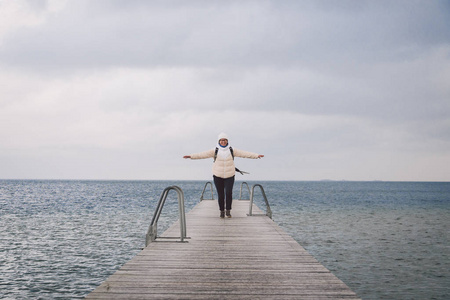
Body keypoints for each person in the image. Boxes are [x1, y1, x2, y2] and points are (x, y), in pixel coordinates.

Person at [183, 133, 264, 218]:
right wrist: (191, 156)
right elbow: (202, 155)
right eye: (221, 140)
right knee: (220, 194)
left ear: (227, 141)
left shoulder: (232, 150)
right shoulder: (215, 150)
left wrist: (256, 156)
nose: (223, 142)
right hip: (218, 176)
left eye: (225, 140)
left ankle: (228, 210)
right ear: (219, 141)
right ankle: (222, 211)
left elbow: (244, 153)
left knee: (229, 193)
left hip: (230, 175)